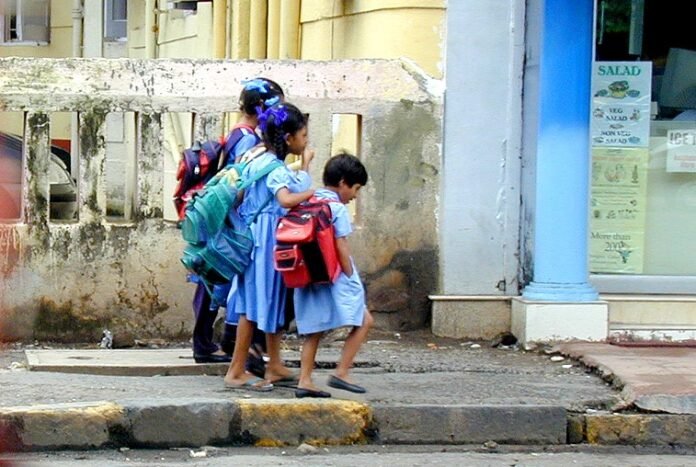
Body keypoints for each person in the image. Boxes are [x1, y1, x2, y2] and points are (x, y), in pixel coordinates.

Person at [190, 78, 284, 364]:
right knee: (217, 279)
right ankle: (210, 345)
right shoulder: (248, 139)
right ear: (261, 107)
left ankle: (207, 343)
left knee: (212, 276)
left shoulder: (238, 133)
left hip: (222, 214)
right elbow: (240, 180)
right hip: (231, 217)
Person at [223, 102, 315, 391]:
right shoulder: (274, 167)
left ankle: (273, 364)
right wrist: (313, 188)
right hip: (264, 244)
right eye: (303, 136)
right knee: (251, 306)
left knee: (270, 300)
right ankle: (236, 371)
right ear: (288, 138)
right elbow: (287, 198)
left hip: (254, 239)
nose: (305, 141)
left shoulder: (258, 158)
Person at [291, 153, 373, 398]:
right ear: (343, 182)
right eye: (356, 188)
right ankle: (342, 372)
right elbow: (341, 246)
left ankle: (304, 380)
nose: (355, 195)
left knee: (314, 330)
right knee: (365, 320)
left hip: (307, 276)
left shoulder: (307, 200)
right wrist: (351, 276)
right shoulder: (336, 208)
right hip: (334, 276)